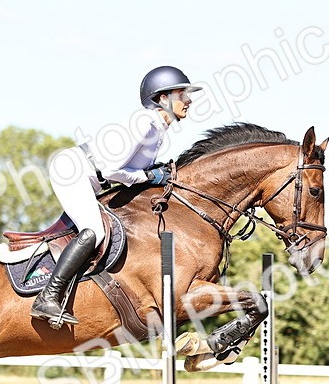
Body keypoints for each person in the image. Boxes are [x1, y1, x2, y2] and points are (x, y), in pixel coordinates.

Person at [30, 65, 202, 328]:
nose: (188, 100)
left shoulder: (159, 131)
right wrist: (147, 177)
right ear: (163, 98)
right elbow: (112, 169)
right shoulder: (144, 123)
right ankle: (48, 296)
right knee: (94, 231)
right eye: (182, 94)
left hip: (92, 180)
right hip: (74, 171)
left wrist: (152, 174)